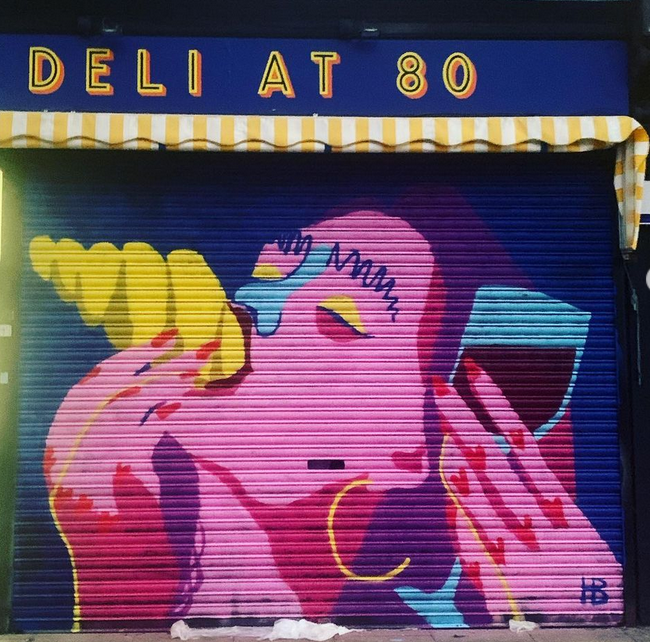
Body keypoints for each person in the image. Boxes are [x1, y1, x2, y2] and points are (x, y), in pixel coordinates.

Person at [43, 210, 621, 630]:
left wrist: (579, 599)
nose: (254, 309)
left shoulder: (411, 609)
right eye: (269, 275)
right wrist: (108, 521)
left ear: (407, 450)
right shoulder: (180, 515)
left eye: (337, 317)